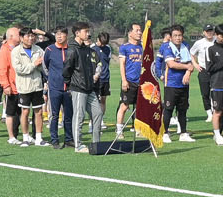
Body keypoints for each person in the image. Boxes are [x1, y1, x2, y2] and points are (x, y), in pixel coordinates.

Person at [64, 23, 105, 151]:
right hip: (78, 88)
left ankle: (96, 143)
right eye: (86, 31)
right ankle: (78, 145)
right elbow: (66, 70)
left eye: (88, 31)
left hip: (89, 88)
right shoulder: (72, 49)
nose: (88, 34)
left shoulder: (86, 49)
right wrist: (70, 85)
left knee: (98, 113)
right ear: (77, 33)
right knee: (79, 116)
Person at [9, 27, 47, 145]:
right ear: (21, 38)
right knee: (25, 112)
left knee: (38, 112)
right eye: (28, 36)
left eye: (32, 36)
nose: (31, 38)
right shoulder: (16, 51)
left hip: (37, 85)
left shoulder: (38, 50)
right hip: (24, 86)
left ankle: (39, 138)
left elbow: (44, 66)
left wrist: (40, 65)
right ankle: (25, 137)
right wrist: (34, 64)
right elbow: (19, 69)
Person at [159, 24, 195, 140]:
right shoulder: (167, 47)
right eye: (175, 35)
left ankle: (183, 133)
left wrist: (188, 72)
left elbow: (190, 64)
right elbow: (171, 64)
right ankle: (165, 133)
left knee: (182, 109)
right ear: (170, 37)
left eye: (180, 35)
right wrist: (187, 67)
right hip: (171, 83)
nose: (178, 38)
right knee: (168, 109)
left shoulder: (186, 46)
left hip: (184, 83)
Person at [114, 30, 146, 138]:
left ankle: (138, 129)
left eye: (140, 30)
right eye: (137, 30)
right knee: (124, 106)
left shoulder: (142, 47)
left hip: (141, 82)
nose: (139, 33)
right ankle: (119, 130)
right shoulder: (125, 47)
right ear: (130, 33)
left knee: (139, 107)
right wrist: (124, 80)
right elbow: (122, 64)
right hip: (129, 81)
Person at [43, 27, 71, 147]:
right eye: (57, 34)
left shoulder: (71, 49)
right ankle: (54, 139)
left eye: (61, 34)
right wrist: (50, 79)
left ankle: (69, 139)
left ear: (67, 35)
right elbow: (45, 66)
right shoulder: (50, 49)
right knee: (54, 115)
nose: (59, 36)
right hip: (55, 87)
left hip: (69, 88)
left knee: (68, 115)